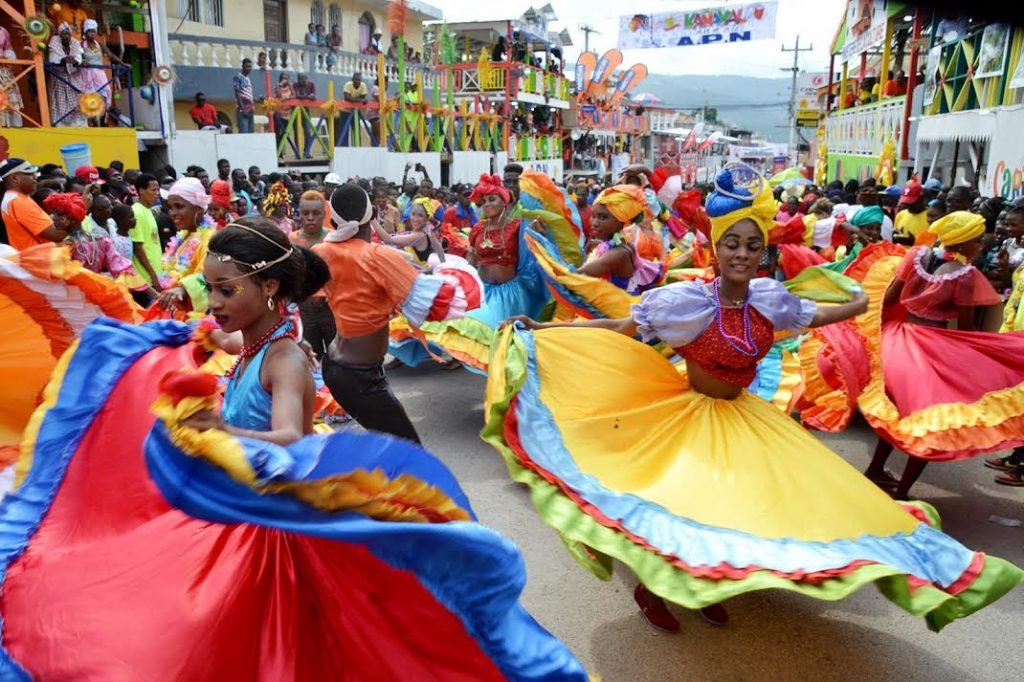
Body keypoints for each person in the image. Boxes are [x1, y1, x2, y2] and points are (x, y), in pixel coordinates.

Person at [488, 164, 1023, 634]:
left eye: (752, 245)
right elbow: (626, 326)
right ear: (716, 248)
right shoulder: (684, 301)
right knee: (685, 507)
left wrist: (860, 300)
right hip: (689, 414)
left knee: (756, 505)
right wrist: (544, 328)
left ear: (762, 250)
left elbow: (816, 314)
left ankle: (711, 588)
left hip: (743, 416)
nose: (742, 254)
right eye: (732, 244)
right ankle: (657, 588)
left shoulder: (771, 301)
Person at [314, 184, 480, 441]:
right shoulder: (378, 257)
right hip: (360, 377)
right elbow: (441, 302)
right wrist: (452, 272)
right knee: (408, 451)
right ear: (370, 217)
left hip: (335, 366)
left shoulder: (322, 252)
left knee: (388, 444)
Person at [571, 185, 663, 295]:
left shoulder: (618, 253)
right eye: (593, 216)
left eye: (603, 217)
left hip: (619, 310)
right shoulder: (621, 244)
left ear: (622, 221)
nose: (594, 223)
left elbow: (576, 275)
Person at [155, 177, 214, 315]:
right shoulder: (183, 236)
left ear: (198, 207)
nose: (172, 213)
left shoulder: (210, 239)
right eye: (170, 207)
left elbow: (211, 277)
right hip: (175, 312)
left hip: (196, 316)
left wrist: (184, 289)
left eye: (179, 206)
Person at [290, 191, 335, 359]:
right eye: (305, 213)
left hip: (331, 306)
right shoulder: (292, 240)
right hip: (304, 308)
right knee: (311, 355)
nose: (310, 217)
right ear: (299, 214)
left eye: (315, 213)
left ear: (324, 214)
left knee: (336, 354)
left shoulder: (333, 239)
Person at [1, 159, 66, 250]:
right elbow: (56, 235)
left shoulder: (15, 198)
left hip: (35, 259)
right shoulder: (18, 202)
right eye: (30, 173)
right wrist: (80, 211)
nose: (35, 177)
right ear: (14, 178)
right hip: (39, 261)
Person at [374, 197, 445, 263]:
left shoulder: (419, 236)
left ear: (427, 218)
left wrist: (372, 219)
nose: (415, 219)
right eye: (413, 214)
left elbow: (387, 239)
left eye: (420, 216)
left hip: (416, 273)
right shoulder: (428, 231)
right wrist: (443, 264)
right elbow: (439, 248)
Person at [80, 19, 122, 118]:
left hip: (99, 73)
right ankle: (90, 119)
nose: (92, 33)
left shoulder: (100, 45)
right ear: (85, 32)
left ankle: (103, 115)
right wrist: (83, 62)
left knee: (106, 91)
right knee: (88, 95)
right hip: (87, 73)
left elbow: (111, 55)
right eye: (89, 31)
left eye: (94, 31)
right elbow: (79, 57)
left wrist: (123, 63)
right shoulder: (81, 44)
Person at [47, 23, 87, 127]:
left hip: (74, 79)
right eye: (64, 34)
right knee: (60, 104)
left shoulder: (74, 44)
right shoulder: (54, 43)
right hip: (60, 80)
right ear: (60, 35)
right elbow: (53, 60)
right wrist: (63, 60)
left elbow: (79, 57)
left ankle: (79, 124)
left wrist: (76, 61)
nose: (67, 36)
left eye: (68, 34)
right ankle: (61, 125)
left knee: (78, 101)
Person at [129, 173, 165, 288]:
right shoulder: (136, 212)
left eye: (158, 190)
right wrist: (152, 275)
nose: (157, 194)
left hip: (157, 274)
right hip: (147, 279)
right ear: (141, 191)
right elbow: (137, 247)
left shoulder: (147, 210)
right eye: (153, 190)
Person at [0, 26, 24, 127]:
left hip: (4, 71)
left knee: (11, 100)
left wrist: (6, 58)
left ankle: (14, 128)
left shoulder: (2, 30)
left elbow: (9, 50)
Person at [233, 58, 255, 134]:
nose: (249, 69)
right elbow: (238, 94)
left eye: (250, 67)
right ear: (242, 66)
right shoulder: (238, 77)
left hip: (250, 109)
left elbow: (248, 94)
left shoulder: (248, 78)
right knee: (244, 133)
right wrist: (243, 109)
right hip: (242, 110)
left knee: (251, 133)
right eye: (247, 66)